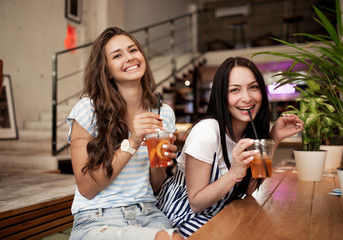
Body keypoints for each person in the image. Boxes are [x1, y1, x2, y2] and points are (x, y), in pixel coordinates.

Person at [156, 56, 304, 238]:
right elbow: (196, 202)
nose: (247, 97)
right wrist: (235, 172)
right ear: (221, 96)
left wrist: (274, 138)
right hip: (183, 216)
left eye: (253, 87)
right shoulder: (206, 132)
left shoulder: (249, 131)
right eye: (235, 90)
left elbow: (250, 189)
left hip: (220, 213)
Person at [66, 27, 183, 240]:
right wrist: (133, 141)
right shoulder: (87, 110)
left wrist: (160, 158)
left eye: (133, 50)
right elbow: (87, 188)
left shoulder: (163, 113)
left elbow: (156, 185)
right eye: (117, 55)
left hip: (148, 212)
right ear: (107, 70)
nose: (130, 58)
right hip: (97, 217)